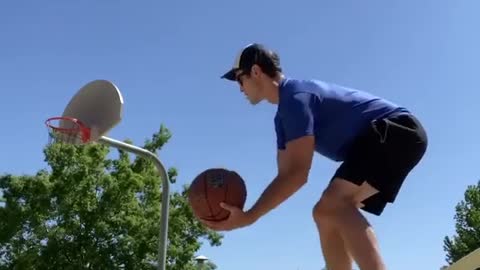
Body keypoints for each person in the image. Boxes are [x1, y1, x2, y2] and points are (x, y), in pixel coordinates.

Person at [201, 43, 428, 270]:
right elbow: (288, 176)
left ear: (256, 72)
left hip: (398, 130)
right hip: (385, 138)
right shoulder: (282, 117)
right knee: (323, 212)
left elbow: (298, 173)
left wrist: (249, 217)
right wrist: (248, 216)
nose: (239, 87)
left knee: (336, 203)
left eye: (239, 79)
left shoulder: (295, 97)